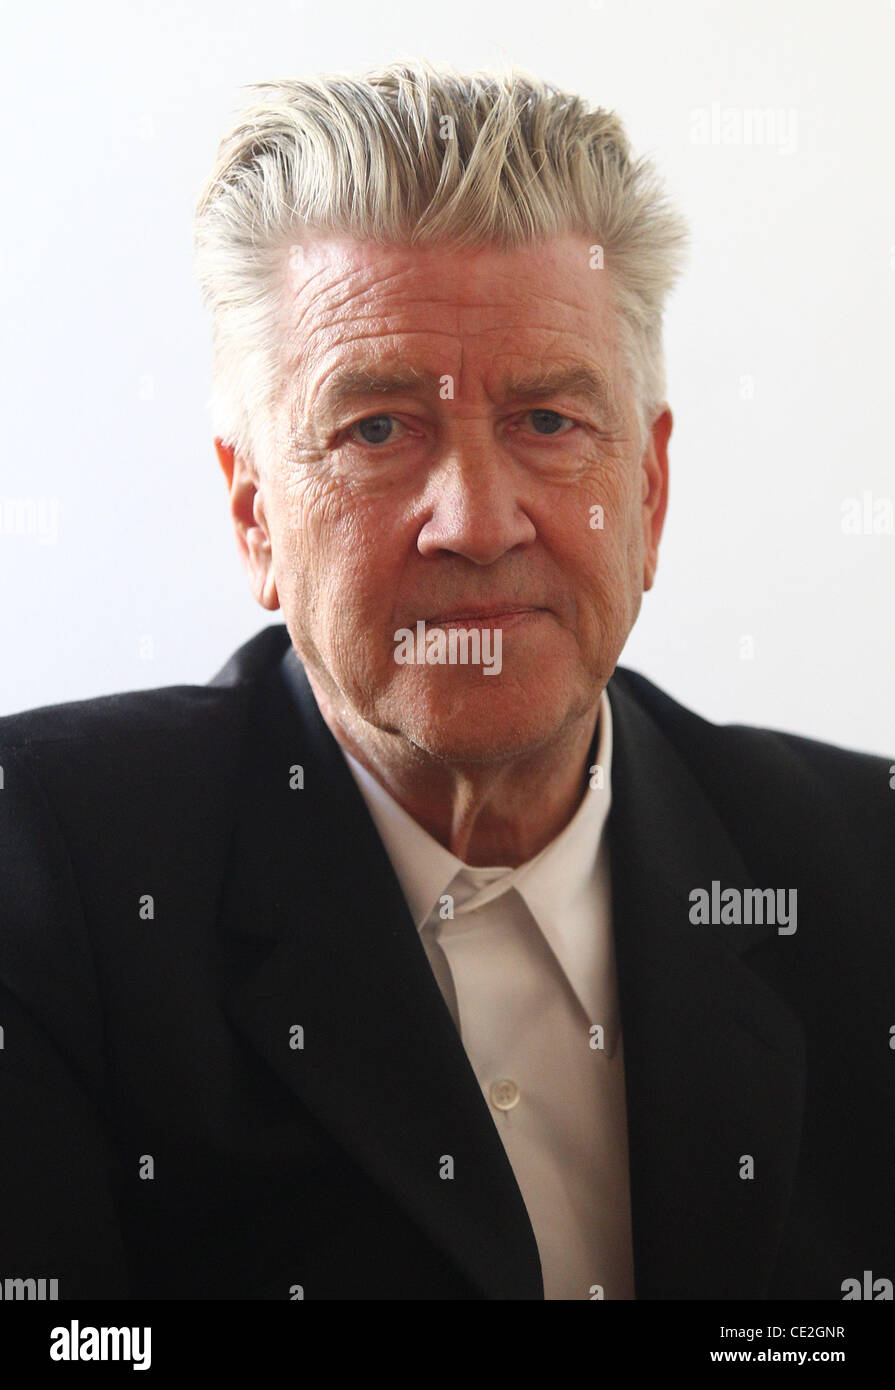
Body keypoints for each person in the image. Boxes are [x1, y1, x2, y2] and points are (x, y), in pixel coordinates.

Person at [0, 58, 892, 1302]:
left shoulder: (866, 866)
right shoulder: (49, 876)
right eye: (375, 430)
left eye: (546, 422)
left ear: (646, 488)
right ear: (253, 510)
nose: (474, 521)